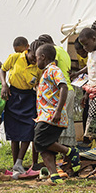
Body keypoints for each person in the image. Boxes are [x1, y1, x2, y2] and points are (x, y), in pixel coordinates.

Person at [34, 44, 80, 185]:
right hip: (44, 115)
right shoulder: (46, 72)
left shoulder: (54, 69)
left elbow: (64, 87)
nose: (36, 62)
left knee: (39, 140)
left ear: (43, 57)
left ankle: (70, 152)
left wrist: (59, 110)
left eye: (37, 58)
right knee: (44, 145)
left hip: (52, 114)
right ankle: (54, 176)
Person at [0, 40, 44, 175]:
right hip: (13, 97)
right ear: (28, 50)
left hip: (29, 98)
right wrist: (4, 85)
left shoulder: (38, 66)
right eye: (33, 57)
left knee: (28, 130)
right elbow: (2, 70)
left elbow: (39, 84)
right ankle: (15, 165)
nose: (34, 61)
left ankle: (19, 161)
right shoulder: (14, 58)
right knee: (14, 132)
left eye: (37, 59)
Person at [80, 28, 96, 149]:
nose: (85, 48)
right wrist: (86, 94)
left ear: (94, 38)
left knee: (93, 123)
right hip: (92, 92)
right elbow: (91, 72)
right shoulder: (90, 53)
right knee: (94, 131)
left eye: (86, 44)